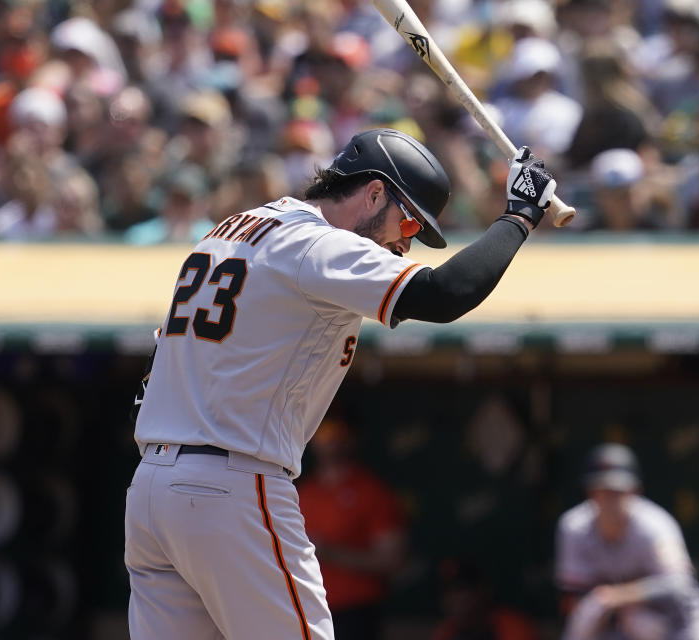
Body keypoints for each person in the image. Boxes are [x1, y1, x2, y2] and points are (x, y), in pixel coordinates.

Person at [124, 127, 558, 640]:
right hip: (231, 484)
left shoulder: (231, 228)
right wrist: (518, 216)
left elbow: (158, 365)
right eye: (410, 221)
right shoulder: (317, 243)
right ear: (374, 192)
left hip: (153, 490)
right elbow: (445, 293)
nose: (405, 242)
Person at [555, 443, 699, 640]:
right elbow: (574, 597)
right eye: (603, 491)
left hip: (675, 620)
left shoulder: (655, 526)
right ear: (590, 494)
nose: (611, 500)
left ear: (634, 491)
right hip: (618, 620)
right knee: (589, 613)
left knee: (641, 618)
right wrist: (614, 606)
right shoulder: (574, 527)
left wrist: (620, 596)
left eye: (618, 491)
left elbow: (680, 587)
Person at [297, 418, 406, 640]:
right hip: (305, 607)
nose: (330, 440)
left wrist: (330, 552)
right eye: (323, 432)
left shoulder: (372, 492)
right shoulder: (302, 492)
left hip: (356, 611)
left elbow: (392, 560)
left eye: (338, 431)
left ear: (351, 438)